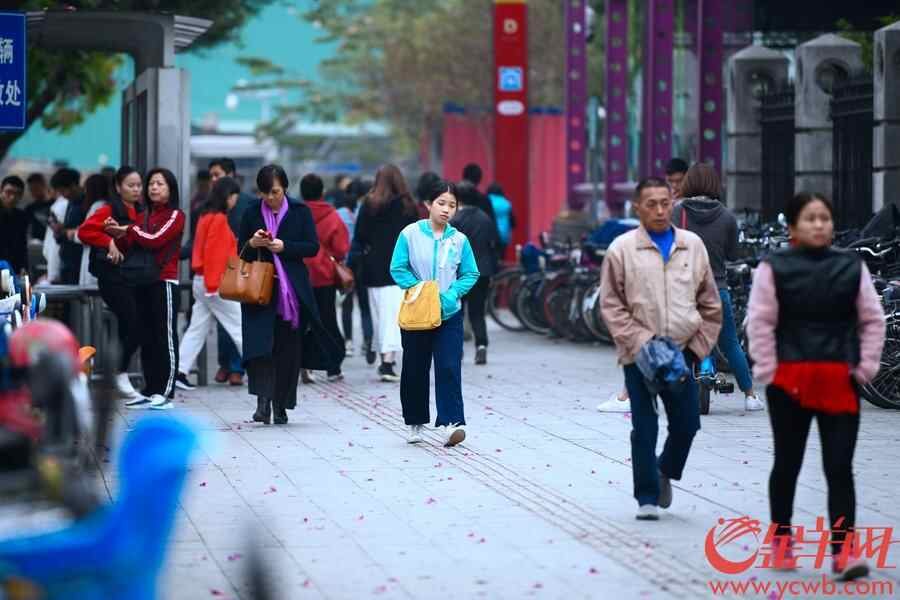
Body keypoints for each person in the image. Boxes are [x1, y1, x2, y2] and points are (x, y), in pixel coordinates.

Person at [747, 192, 885, 581]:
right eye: (810, 218)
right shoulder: (773, 267)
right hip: (789, 379)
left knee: (839, 467)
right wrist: (768, 369)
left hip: (838, 379)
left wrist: (866, 366)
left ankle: (844, 552)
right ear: (793, 226)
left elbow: (872, 319)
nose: (819, 225)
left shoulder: (851, 266)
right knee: (787, 463)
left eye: (824, 217)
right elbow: (760, 321)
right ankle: (782, 540)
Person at [599, 176, 722, 521]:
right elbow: (611, 304)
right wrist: (639, 343)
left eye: (665, 203)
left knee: (687, 423)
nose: (659, 210)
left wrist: (699, 347)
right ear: (637, 208)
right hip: (637, 352)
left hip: (682, 350)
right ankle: (647, 497)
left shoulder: (692, 245)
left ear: (673, 203)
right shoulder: (622, 249)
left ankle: (665, 468)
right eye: (651, 204)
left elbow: (710, 302)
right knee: (645, 425)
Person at [239, 164, 343, 425]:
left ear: (285, 188)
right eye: (264, 193)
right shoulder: (251, 212)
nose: (270, 198)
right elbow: (240, 250)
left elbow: (312, 247)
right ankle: (263, 402)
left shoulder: (300, 211)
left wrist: (284, 247)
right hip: (259, 290)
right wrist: (252, 243)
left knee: (287, 350)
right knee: (261, 347)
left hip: (291, 292)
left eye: (274, 192)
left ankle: (280, 404)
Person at [390, 180, 479, 446]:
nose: (446, 209)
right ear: (428, 204)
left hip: (449, 314)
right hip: (418, 313)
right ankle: (415, 422)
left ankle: (452, 423)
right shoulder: (409, 234)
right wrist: (420, 290)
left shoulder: (459, 240)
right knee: (415, 368)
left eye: (452, 205)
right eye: (441, 203)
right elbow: (398, 268)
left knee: (449, 366)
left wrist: (451, 295)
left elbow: (471, 273)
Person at [672, 163, 763, 411]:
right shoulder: (727, 216)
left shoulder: (678, 212)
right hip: (716, 289)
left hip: (685, 291)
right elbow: (734, 254)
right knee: (731, 343)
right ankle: (750, 396)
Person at [106, 168, 185, 410]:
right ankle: (151, 390)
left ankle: (166, 392)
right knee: (148, 338)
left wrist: (129, 229)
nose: (153, 188)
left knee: (165, 338)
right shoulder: (143, 216)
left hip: (164, 282)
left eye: (160, 184)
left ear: (170, 189)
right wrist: (117, 234)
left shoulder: (175, 215)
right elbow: (131, 245)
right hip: (142, 283)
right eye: (151, 184)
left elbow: (155, 240)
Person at [78, 166, 144, 400]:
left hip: (135, 277)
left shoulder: (142, 211)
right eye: (130, 185)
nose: (136, 190)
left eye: (139, 185)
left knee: (131, 327)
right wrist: (108, 241)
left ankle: (117, 373)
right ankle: (119, 373)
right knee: (133, 323)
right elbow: (84, 232)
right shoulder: (108, 209)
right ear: (118, 187)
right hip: (112, 277)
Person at [175, 176, 244, 391]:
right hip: (215, 283)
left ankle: (180, 371)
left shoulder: (206, 216)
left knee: (197, 328)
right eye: (234, 197)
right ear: (228, 196)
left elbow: (204, 251)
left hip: (202, 280)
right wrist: (213, 286)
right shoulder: (219, 220)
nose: (235, 201)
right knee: (239, 326)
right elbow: (215, 255)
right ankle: (263, 368)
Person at [352, 164, 418, 382]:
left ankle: (385, 358)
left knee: (380, 315)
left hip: (374, 268)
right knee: (393, 316)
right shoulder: (408, 205)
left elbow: (360, 236)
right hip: (400, 267)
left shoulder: (369, 204)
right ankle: (388, 362)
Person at [208, 157, 254, 385]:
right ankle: (225, 364)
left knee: (237, 318)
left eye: (217, 175)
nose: (213, 180)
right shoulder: (211, 204)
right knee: (221, 320)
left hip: (242, 267)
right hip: (218, 269)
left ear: (231, 175)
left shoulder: (249, 203)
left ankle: (237, 367)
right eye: (211, 176)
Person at [300, 173, 350, 383]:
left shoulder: (295, 213)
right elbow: (341, 248)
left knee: (301, 322)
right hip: (324, 276)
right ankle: (333, 367)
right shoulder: (332, 215)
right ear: (322, 192)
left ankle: (303, 364)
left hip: (299, 276)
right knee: (327, 321)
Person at [452, 181, 499, 365]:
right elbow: (494, 245)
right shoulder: (485, 218)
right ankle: (481, 346)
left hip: (461, 273)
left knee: (457, 312)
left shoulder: (456, 219)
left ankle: (457, 350)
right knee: (477, 312)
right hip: (483, 271)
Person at [339, 178, 374, 361]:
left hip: (345, 265)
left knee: (347, 304)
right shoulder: (368, 211)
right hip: (364, 262)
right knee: (365, 305)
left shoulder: (339, 214)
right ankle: (368, 340)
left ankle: (348, 342)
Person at [43, 168, 80, 284]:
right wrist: (59, 230)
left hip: (76, 263)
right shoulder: (70, 203)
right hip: (66, 261)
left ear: (74, 186)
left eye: (63, 190)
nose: (63, 195)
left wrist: (64, 231)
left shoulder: (83, 204)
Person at [76, 174, 111, 287]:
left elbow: (85, 234)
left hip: (93, 257)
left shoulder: (97, 206)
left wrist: (73, 234)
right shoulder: (108, 206)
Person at [0, 176, 28, 274]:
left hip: (13, 268)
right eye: (9, 192)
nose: (12, 197)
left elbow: (22, 245)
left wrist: (24, 266)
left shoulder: (21, 216)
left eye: (17, 194)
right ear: (1, 191)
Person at [486, 182, 515, 261]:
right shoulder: (506, 203)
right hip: (503, 236)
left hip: (490, 234)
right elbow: (513, 222)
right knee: (501, 259)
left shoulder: (487, 201)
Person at [24, 173, 52, 241]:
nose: (33, 192)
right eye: (31, 189)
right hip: (37, 244)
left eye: (35, 188)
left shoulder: (57, 204)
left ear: (44, 186)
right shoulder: (29, 208)